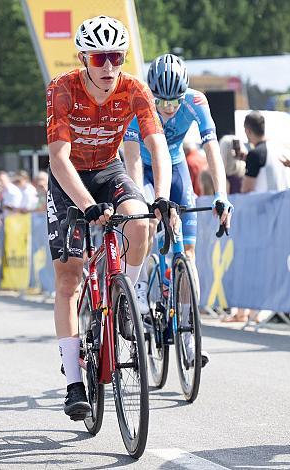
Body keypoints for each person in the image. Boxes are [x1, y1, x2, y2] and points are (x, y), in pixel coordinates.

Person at [46, 16, 188, 420]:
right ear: (84, 58)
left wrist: (161, 196)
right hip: (69, 176)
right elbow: (58, 157)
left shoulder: (134, 88)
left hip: (108, 170)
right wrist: (88, 206)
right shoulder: (62, 88)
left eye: (117, 57)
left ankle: (125, 296)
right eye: (100, 57)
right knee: (69, 277)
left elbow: (157, 146)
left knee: (141, 221)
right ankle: (74, 381)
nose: (109, 67)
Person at [123, 52, 232, 365]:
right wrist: (140, 201)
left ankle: (188, 333)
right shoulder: (138, 101)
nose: (169, 109)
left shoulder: (196, 102)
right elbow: (131, 158)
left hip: (176, 167)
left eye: (175, 102)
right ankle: (141, 284)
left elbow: (212, 149)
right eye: (163, 102)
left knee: (188, 254)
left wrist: (221, 193)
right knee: (143, 224)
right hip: (142, 168)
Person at [241, 111, 290, 194]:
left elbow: (246, 189)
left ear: (248, 131)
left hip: (264, 204)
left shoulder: (255, 154)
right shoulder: (278, 147)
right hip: (282, 201)